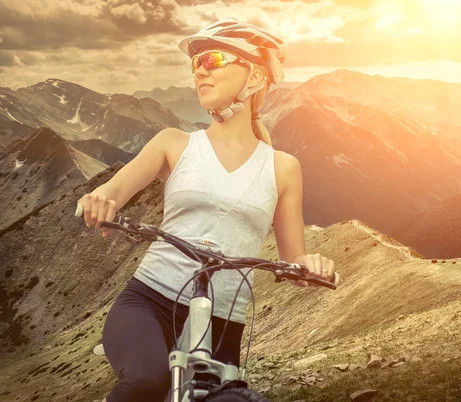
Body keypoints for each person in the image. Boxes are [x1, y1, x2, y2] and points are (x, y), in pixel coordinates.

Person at [77, 18, 336, 402]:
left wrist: (311, 266)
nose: (200, 69)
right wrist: (97, 201)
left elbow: (293, 261)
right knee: (148, 382)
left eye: (214, 58)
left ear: (256, 78)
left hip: (222, 324)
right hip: (149, 302)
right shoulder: (175, 143)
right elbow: (112, 190)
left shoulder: (283, 168)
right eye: (195, 63)